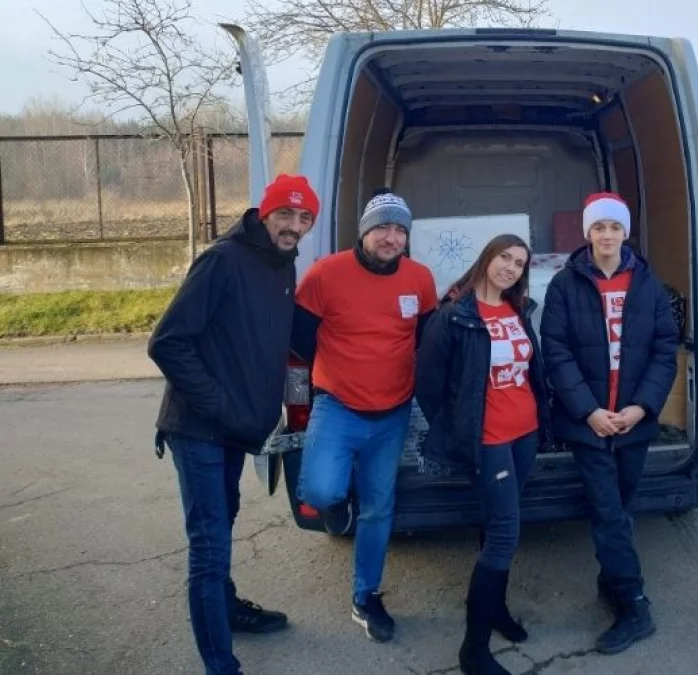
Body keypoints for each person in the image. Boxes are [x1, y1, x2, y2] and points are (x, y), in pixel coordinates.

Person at [149, 173, 319, 675]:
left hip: (235, 429)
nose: (293, 226)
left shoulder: (282, 264)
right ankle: (220, 666)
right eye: (284, 214)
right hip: (199, 428)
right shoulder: (222, 261)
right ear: (264, 214)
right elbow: (167, 343)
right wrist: (221, 406)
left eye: (304, 217)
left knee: (222, 520)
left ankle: (226, 610)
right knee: (209, 547)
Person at [291, 188, 437, 643]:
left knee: (379, 509)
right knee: (320, 490)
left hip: (394, 412)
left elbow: (427, 340)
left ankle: (365, 596)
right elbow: (299, 341)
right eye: (382, 228)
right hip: (337, 406)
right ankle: (341, 502)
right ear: (364, 232)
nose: (391, 238)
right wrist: (333, 374)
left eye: (399, 230)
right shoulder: (325, 274)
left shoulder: (419, 279)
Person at [540, 192, 680, 655]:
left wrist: (642, 407)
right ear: (587, 233)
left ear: (625, 232)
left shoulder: (648, 284)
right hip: (590, 424)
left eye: (614, 227)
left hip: (633, 421)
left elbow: (665, 349)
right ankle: (635, 606)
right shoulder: (565, 284)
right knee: (608, 511)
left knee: (619, 506)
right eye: (598, 227)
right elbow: (556, 351)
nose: (606, 235)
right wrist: (588, 411)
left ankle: (611, 581)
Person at [415, 234, 552, 675]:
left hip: (525, 434)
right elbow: (428, 386)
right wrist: (459, 430)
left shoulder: (518, 310)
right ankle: (473, 650)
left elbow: (529, 371)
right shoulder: (454, 316)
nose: (510, 267)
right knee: (505, 533)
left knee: (496, 524)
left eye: (519, 262)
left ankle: (495, 610)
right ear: (487, 258)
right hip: (489, 441)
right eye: (504, 257)